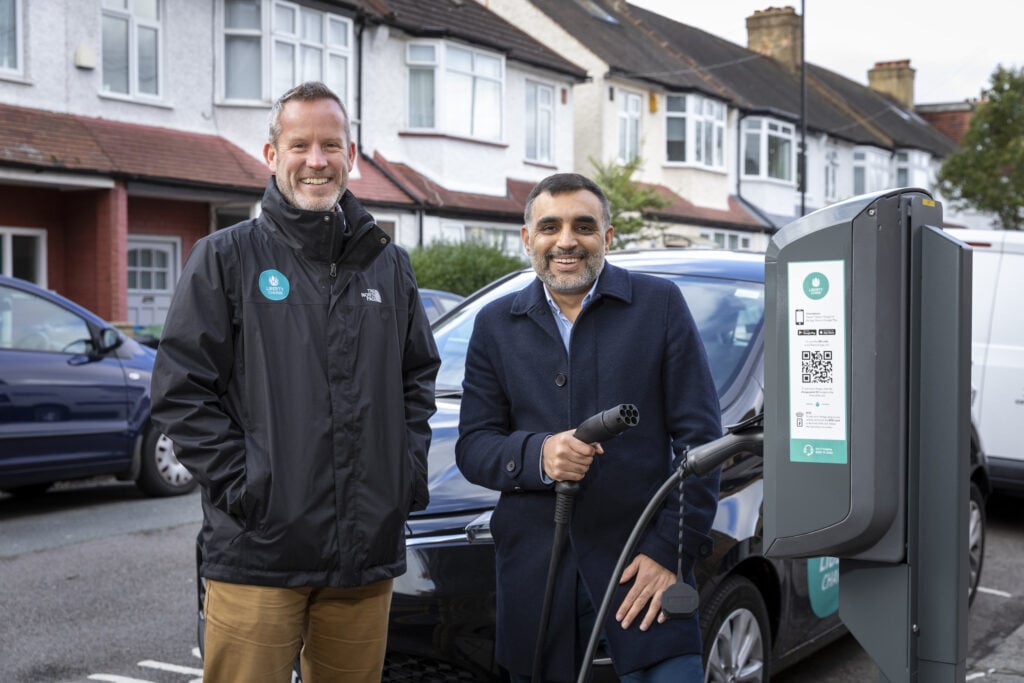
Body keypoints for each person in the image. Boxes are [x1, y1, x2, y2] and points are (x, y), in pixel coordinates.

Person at [151, 81, 440, 683]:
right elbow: (181, 392)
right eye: (300, 144)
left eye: (331, 145)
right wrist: (248, 488)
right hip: (259, 552)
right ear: (271, 154)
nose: (316, 160)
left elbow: (417, 378)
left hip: (364, 555)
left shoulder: (387, 264)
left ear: (351, 156)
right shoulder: (225, 258)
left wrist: (403, 475)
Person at [455, 173, 722, 682]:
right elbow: (474, 445)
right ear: (527, 238)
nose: (566, 241)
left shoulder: (659, 304)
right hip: (538, 583)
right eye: (550, 226)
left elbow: (701, 444)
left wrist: (670, 552)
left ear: (608, 236)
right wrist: (540, 454)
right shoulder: (494, 323)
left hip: (642, 571)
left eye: (583, 226)